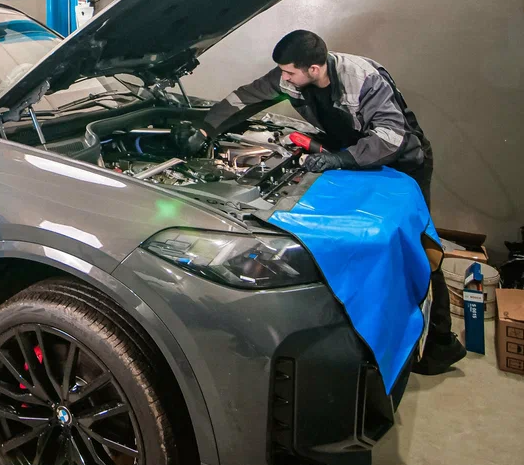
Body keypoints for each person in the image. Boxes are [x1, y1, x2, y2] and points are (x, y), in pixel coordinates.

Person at [188, 29, 465, 376]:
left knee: (418, 246)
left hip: (402, 163)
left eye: (290, 72)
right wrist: (205, 129)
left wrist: (339, 160)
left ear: (315, 69)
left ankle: (440, 341)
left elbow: (390, 137)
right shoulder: (292, 74)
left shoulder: (363, 78)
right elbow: (247, 97)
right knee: (370, 251)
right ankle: (374, 336)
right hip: (353, 161)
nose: (284, 78)